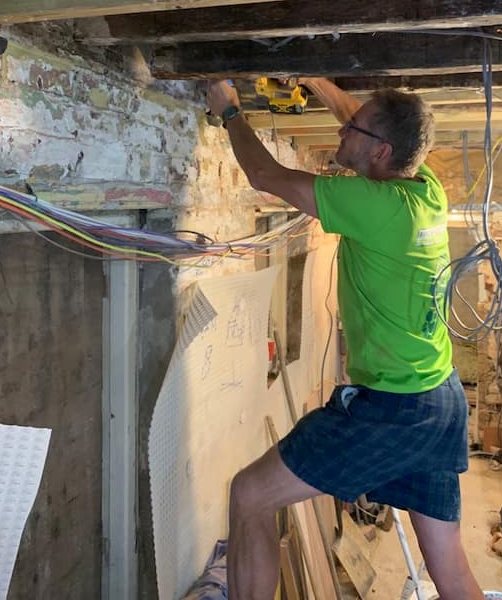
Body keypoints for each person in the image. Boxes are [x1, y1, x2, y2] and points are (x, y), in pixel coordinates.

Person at [206, 77, 484, 600]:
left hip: (393, 409)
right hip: (440, 400)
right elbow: (365, 121)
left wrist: (229, 112)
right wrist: (321, 86)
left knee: (250, 495)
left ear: (380, 152)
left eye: (352, 129)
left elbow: (266, 174)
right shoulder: (425, 189)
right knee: (449, 569)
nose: (343, 128)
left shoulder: (371, 204)